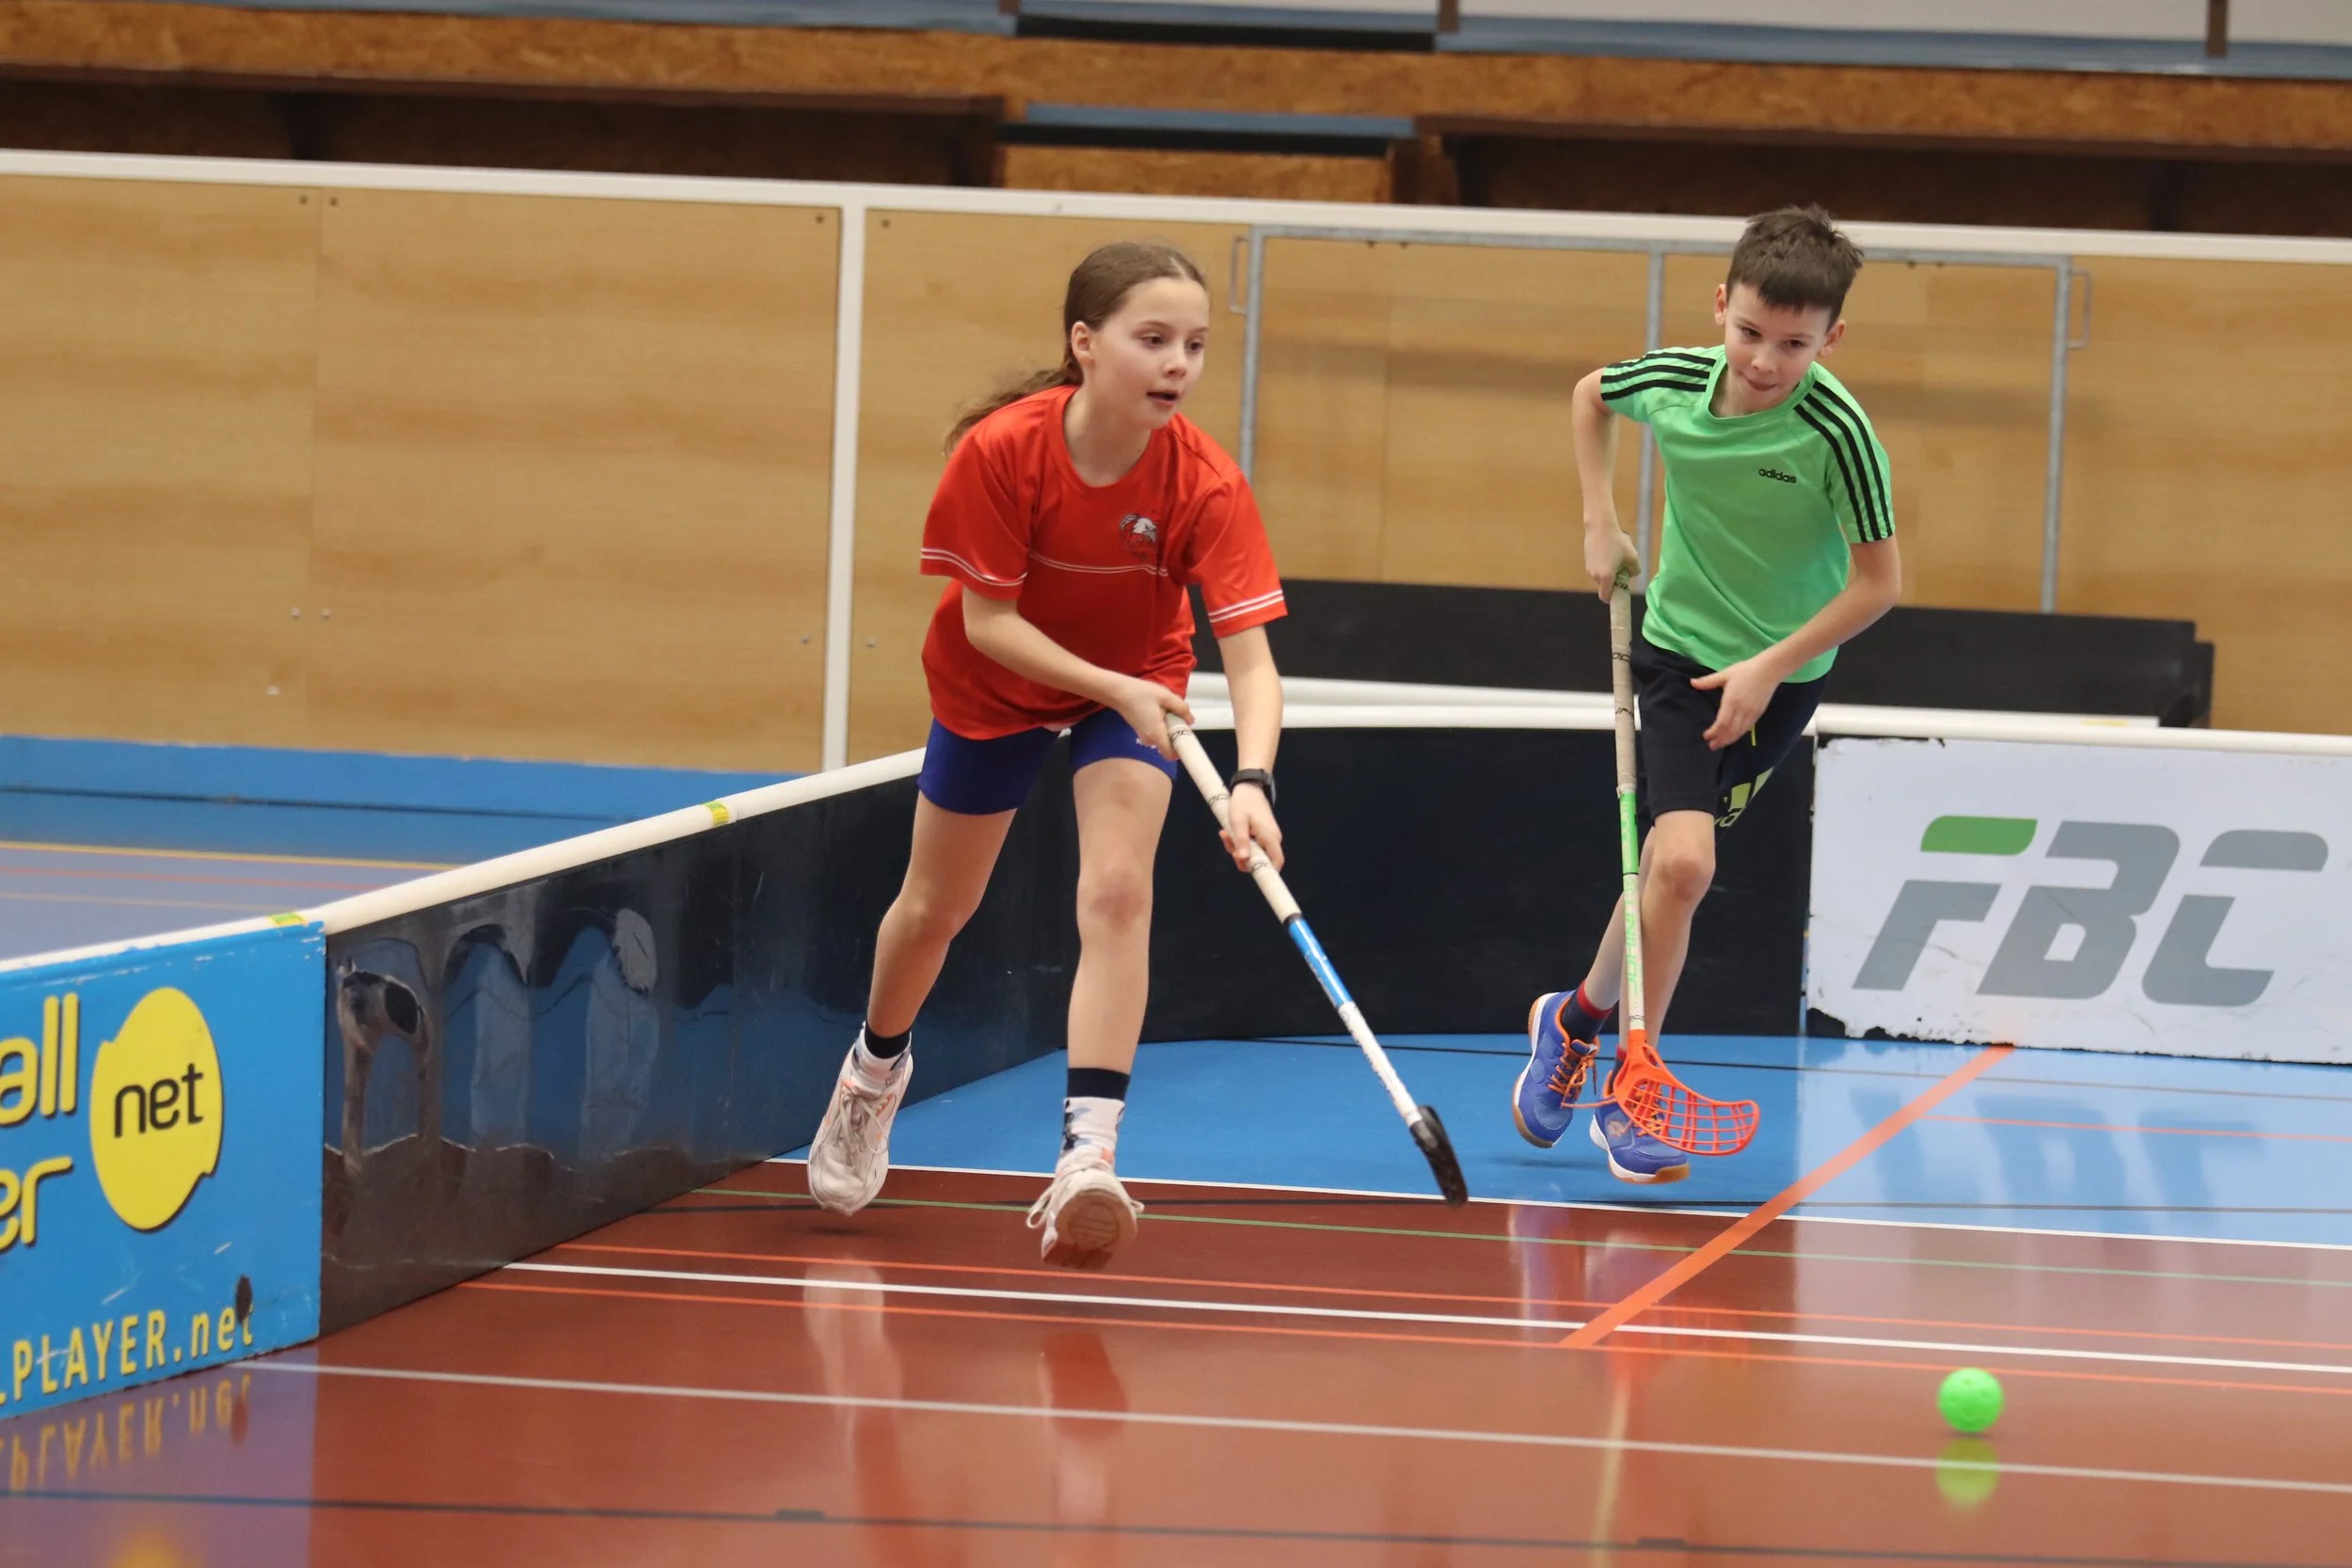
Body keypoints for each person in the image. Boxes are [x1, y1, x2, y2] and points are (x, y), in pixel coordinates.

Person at [804, 240, 1288, 1268]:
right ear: (1085, 342)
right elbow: (988, 622)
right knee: (936, 910)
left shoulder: (1205, 480)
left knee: (1116, 892)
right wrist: (1111, 686)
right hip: (1000, 681)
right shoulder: (1003, 451)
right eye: (1152, 339)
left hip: (1136, 686)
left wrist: (1253, 780)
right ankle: (873, 1071)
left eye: (1195, 345)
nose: (1178, 364)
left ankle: (1087, 1157)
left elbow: (1251, 661)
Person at [1517, 205, 1902, 1182]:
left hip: (1781, 681)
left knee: (1664, 866)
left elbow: (1877, 585)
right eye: (1750, 332)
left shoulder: (1839, 434)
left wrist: (1770, 665)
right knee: (1684, 864)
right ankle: (1631, 1088)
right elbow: (1590, 395)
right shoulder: (1674, 382)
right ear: (1720, 303)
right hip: (1678, 658)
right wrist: (1599, 520)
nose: (1766, 361)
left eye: (1794, 344)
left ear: (1831, 339)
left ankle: (1574, 1020)